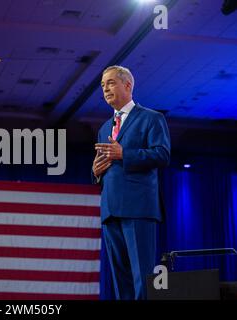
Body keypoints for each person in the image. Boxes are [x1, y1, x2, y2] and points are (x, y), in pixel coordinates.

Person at [92, 65, 170, 300]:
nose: (105, 89)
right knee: (120, 279)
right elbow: (107, 166)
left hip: (138, 208)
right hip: (111, 209)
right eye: (103, 85)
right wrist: (96, 172)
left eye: (111, 83)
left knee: (141, 277)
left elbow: (162, 155)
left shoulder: (151, 118)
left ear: (128, 85)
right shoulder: (104, 127)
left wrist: (125, 153)